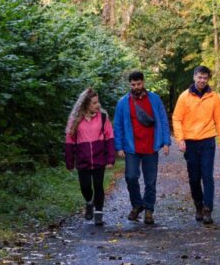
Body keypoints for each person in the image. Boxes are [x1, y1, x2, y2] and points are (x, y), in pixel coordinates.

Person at [113, 71, 171, 225]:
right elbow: (117, 125)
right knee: (131, 177)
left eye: (138, 84)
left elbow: (163, 120)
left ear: (143, 82)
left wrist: (166, 142)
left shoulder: (155, 99)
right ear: (130, 84)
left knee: (150, 181)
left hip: (151, 146)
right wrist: (118, 146)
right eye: (133, 84)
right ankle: (137, 204)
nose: (136, 87)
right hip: (131, 147)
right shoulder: (123, 103)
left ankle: (149, 210)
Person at [172, 65, 220, 225]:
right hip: (190, 142)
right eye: (199, 77)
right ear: (194, 77)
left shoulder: (214, 97)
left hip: (208, 140)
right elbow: (176, 118)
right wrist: (180, 139)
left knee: (207, 176)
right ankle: (198, 205)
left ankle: (208, 209)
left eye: (205, 78)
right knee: (194, 178)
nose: (202, 80)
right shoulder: (184, 97)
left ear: (208, 79)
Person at [64, 88, 115, 226]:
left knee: (98, 185)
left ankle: (98, 213)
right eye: (94, 103)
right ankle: (89, 202)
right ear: (86, 104)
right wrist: (70, 161)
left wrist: (110, 158)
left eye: (98, 102)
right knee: (85, 187)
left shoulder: (103, 116)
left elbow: (109, 137)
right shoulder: (75, 120)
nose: (98, 105)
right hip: (83, 160)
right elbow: (69, 141)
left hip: (99, 158)